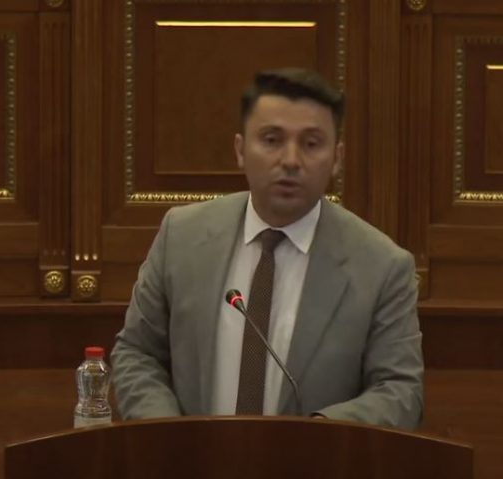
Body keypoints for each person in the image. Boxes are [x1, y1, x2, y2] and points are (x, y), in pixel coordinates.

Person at [110, 68, 423, 429]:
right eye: (272, 140)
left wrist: (319, 438)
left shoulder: (382, 266)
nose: (290, 160)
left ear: (337, 158)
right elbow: (137, 353)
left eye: (311, 144)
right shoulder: (182, 236)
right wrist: (169, 436)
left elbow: (400, 390)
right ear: (241, 150)